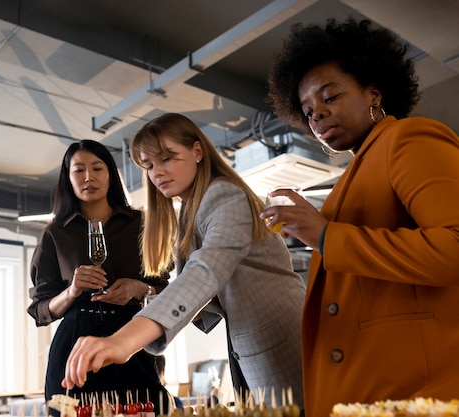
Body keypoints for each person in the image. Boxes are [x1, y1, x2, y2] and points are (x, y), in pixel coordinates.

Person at [263, 17, 459, 417]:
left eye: (330, 97)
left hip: (415, 391)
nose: (317, 115)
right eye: (308, 109)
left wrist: (325, 237)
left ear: (373, 92)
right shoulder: (352, 177)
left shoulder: (408, 138)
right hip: (369, 392)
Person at [61, 113, 307, 409]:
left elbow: (205, 272)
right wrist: (150, 298)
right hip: (250, 346)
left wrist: (123, 341)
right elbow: (210, 287)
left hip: (283, 339)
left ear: (197, 152)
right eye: (149, 165)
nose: (157, 173)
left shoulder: (225, 195)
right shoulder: (192, 208)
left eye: (167, 158)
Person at [27, 139, 171, 412]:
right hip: (74, 345)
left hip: (131, 338)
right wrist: (71, 291)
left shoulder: (141, 224)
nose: (88, 177)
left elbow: (169, 290)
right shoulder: (55, 233)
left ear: (111, 175)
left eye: (97, 168)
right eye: (78, 170)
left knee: (148, 409)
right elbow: (40, 311)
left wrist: (139, 288)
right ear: (67, 178)